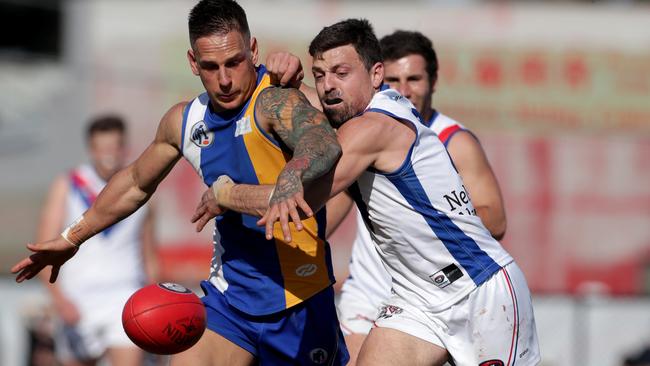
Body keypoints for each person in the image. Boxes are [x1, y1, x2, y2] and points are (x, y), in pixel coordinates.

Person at [12, 1, 349, 365]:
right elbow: (135, 183)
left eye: (234, 62)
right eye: (210, 67)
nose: (224, 79)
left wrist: (287, 185)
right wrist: (71, 238)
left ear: (253, 51)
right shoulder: (185, 122)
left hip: (300, 300)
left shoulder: (274, 98)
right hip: (230, 301)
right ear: (193, 63)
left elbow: (322, 142)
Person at [193, 19, 540, 366]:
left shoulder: (373, 128)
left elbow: (297, 200)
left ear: (376, 75)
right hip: (417, 300)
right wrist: (278, 74)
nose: (328, 86)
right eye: (320, 74)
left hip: (478, 292)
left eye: (341, 73)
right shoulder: (355, 116)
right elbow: (316, 110)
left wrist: (224, 194)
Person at [334, 30, 508, 364]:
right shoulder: (365, 132)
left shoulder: (453, 140)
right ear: (378, 78)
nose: (404, 89)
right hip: (370, 293)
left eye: (414, 78)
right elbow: (331, 206)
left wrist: (430, 217)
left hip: (439, 293)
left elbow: (496, 219)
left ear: (433, 81)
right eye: (395, 79)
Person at [35, 115, 158, 366]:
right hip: (78, 300)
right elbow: (44, 248)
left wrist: (154, 299)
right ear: (91, 149)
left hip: (125, 298)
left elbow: (149, 255)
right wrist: (59, 300)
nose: (109, 155)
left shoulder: (143, 189)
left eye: (115, 148)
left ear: (125, 148)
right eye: (102, 149)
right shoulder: (68, 185)